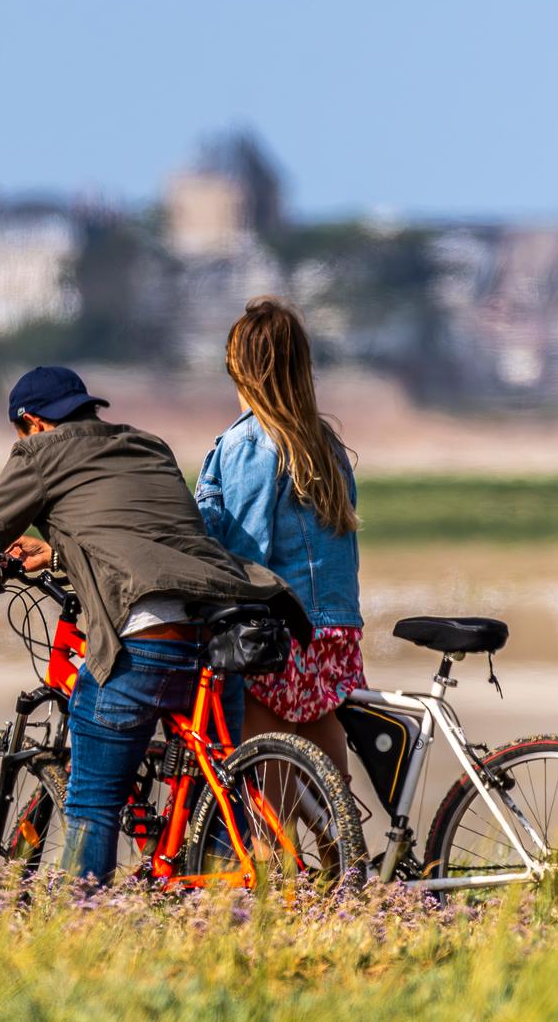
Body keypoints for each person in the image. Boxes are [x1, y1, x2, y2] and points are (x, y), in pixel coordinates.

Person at [0, 365, 307, 883]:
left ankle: (85, 938)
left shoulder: (39, 452)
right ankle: (232, 923)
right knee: (217, 796)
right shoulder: (148, 446)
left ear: (31, 422)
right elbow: (137, 535)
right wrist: (56, 555)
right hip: (218, 633)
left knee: (93, 804)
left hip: (143, 640)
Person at [195, 295, 365, 780]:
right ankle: (344, 856)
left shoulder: (248, 441)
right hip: (333, 630)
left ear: (243, 371)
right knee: (328, 781)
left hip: (278, 634)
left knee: (266, 790)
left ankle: (277, 857)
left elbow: (245, 553)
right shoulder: (324, 442)